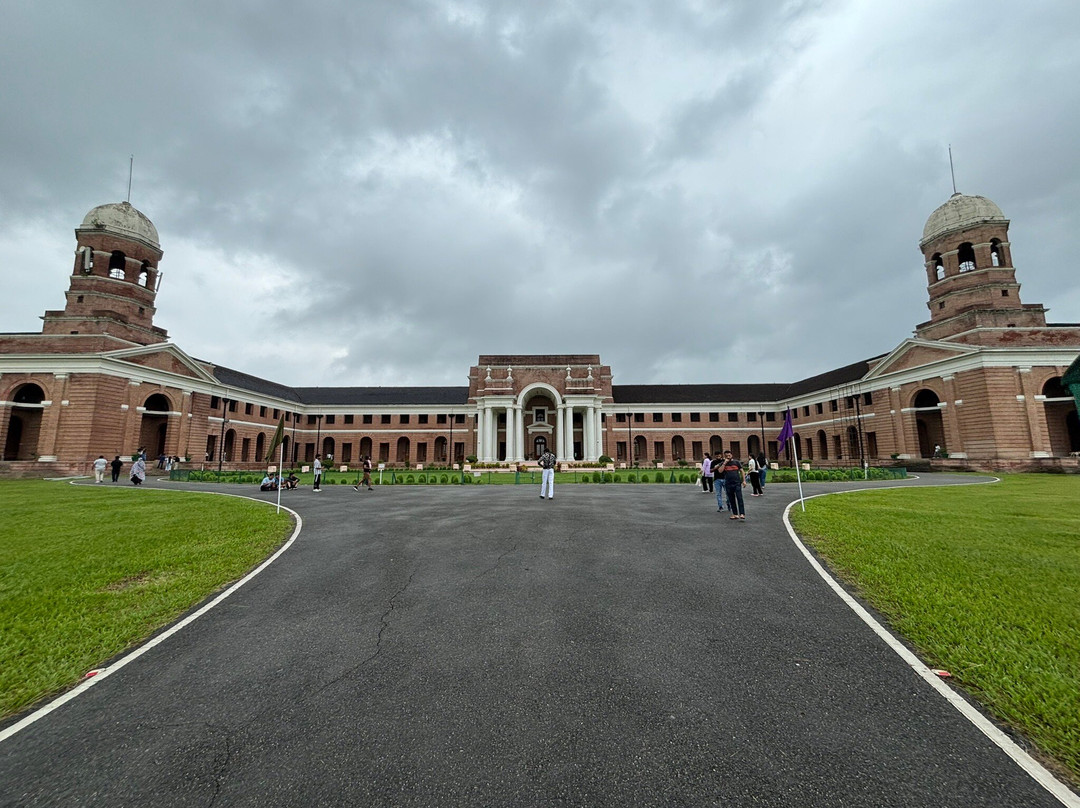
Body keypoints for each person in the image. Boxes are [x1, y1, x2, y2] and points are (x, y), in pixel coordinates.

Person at [719, 450, 746, 520]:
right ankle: (735, 514)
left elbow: (742, 471)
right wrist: (724, 463)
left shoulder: (736, 462)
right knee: (731, 499)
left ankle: (742, 513)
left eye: (729, 455)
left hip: (737, 483)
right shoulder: (723, 463)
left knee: (739, 498)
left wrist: (744, 480)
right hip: (728, 483)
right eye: (726, 456)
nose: (728, 457)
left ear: (731, 455)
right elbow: (720, 471)